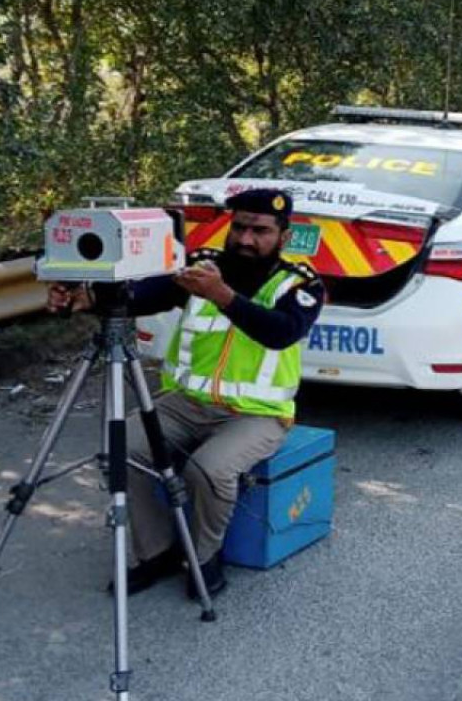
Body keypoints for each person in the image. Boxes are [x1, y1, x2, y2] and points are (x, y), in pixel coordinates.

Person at [47, 188, 325, 597]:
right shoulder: (202, 265)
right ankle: (156, 551)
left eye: (260, 231)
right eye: (240, 227)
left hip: (257, 414)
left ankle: (203, 557)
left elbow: (282, 333)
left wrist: (223, 296)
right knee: (122, 448)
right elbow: (142, 295)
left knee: (209, 470)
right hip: (186, 403)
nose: (246, 239)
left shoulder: (300, 283)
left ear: (283, 237)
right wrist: (85, 299)